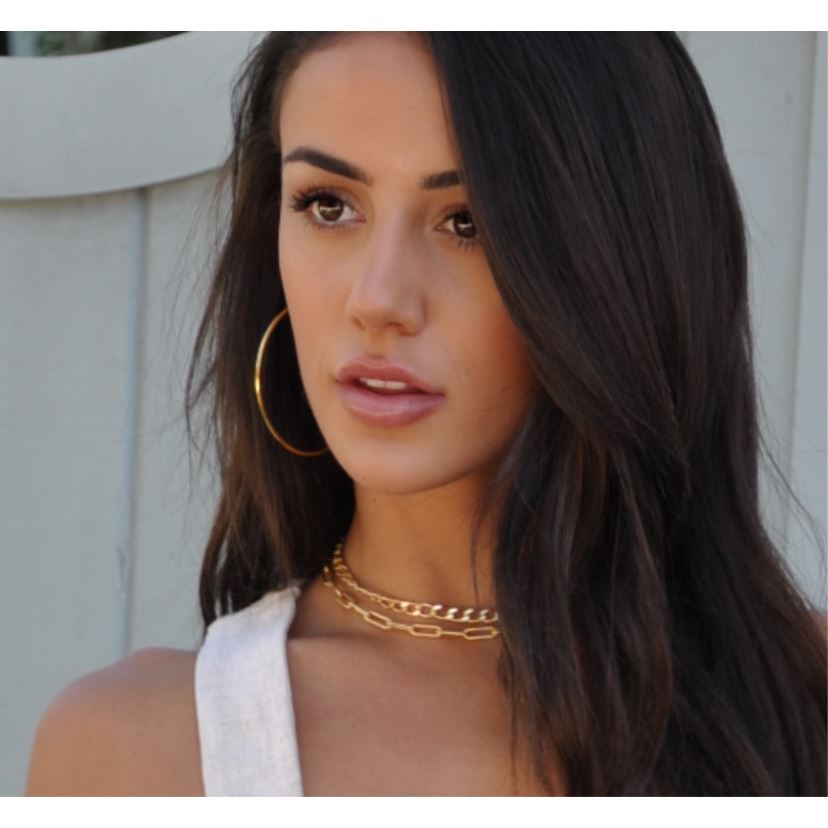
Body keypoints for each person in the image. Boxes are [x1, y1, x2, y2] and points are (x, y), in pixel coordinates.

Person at [25, 32, 827, 797]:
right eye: (328, 206)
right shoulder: (132, 752)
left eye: (467, 222)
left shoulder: (799, 700)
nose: (377, 299)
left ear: (615, 268)